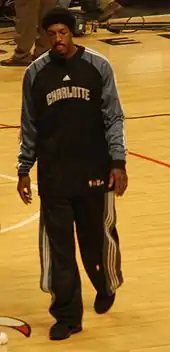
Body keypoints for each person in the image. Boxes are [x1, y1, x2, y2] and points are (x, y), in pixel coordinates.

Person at [17, 7, 128, 340]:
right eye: (51, 34)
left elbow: (114, 117)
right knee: (59, 250)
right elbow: (28, 125)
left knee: (96, 243)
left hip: (95, 171)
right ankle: (66, 315)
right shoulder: (35, 74)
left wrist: (118, 163)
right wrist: (24, 169)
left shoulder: (98, 66)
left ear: (72, 32)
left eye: (62, 33)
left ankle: (105, 284)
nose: (57, 40)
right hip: (54, 177)